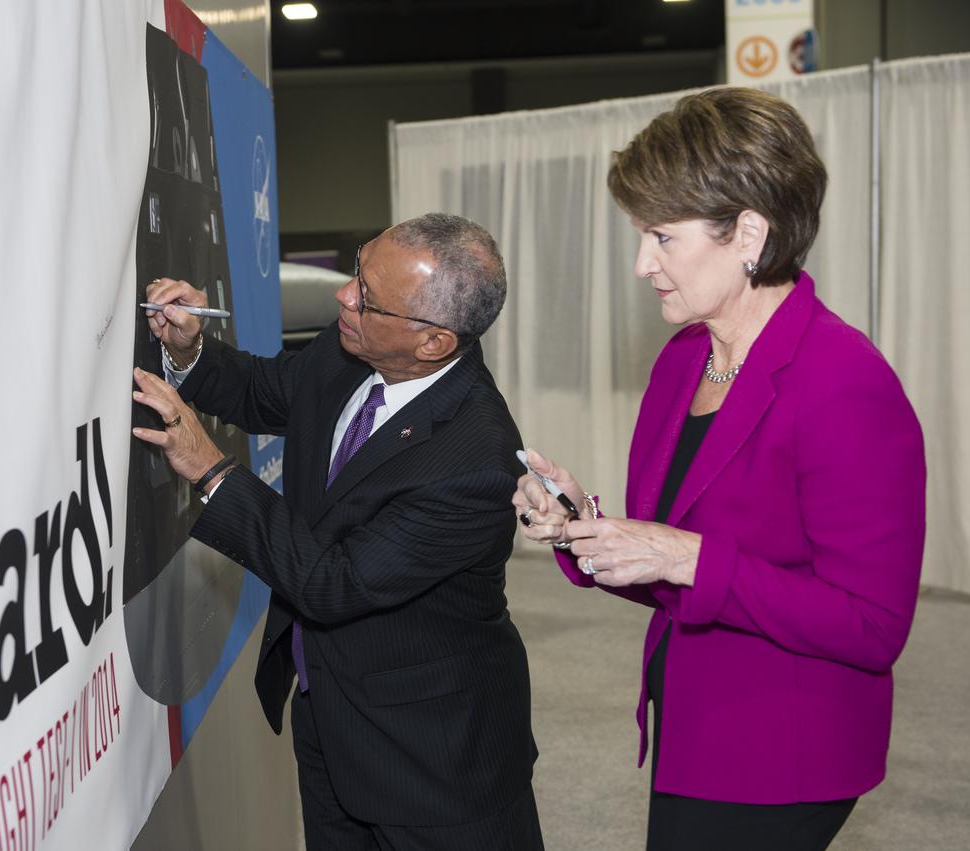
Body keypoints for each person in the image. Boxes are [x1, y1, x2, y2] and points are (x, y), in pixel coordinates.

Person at [512, 87, 925, 851]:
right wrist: (582, 528)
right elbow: (675, 565)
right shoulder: (682, 360)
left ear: (748, 233)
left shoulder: (842, 381)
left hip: (782, 752)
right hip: (695, 725)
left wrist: (687, 555)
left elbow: (872, 625)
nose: (642, 263)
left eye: (660, 237)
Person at [133, 213, 543, 850]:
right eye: (358, 270)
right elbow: (267, 391)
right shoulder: (358, 343)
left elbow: (333, 582)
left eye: (367, 296)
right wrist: (188, 348)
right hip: (330, 711)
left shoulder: (473, 460)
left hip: (433, 758)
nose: (343, 296)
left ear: (433, 342)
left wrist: (210, 470)